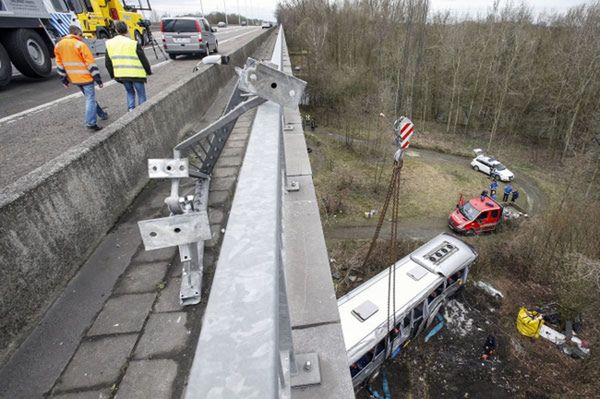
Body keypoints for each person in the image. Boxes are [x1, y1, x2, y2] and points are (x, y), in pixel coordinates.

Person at [54, 25, 108, 131]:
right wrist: (98, 79)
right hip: (85, 77)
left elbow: (59, 63)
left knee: (90, 98)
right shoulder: (80, 44)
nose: (82, 37)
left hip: (74, 78)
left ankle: (102, 114)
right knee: (90, 99)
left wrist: (63, 79)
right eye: (81, 35)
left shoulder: (58, 45)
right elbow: (90, 63)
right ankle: (90, 123)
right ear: (76, 33)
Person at [105, 21, 152, 112]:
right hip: (136, 74)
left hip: (122, 74)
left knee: (130, 92)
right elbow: (143, 59)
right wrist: (148, 71)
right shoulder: (133, 43)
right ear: (126, 30)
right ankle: (143, 112)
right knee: (141, 94)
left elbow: (108, 62)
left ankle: (131, 111)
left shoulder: (109, 44)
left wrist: (113, 75)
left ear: (116, 30)